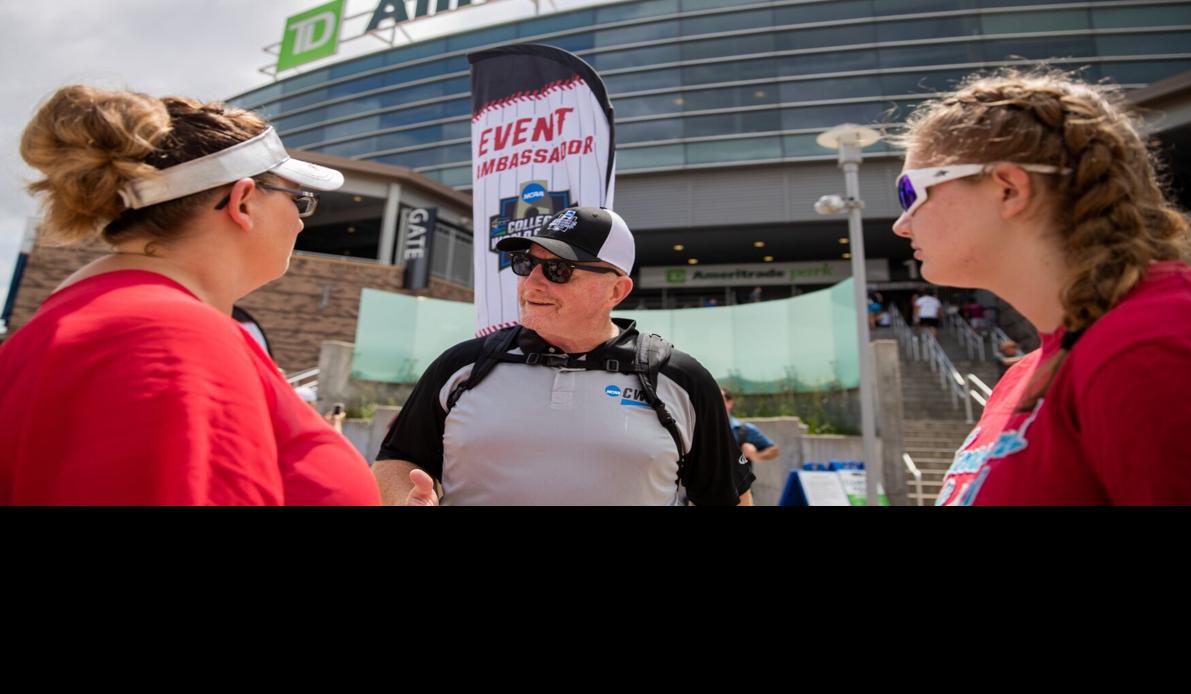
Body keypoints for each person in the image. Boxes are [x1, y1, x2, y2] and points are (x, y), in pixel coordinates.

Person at [0, 85, 377, 505]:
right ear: (244, 202)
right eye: (300, 200)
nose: (301, 222)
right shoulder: (171, 342)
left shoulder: (89, 322)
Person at [891, 70, 1191, 505]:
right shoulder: (1026, 373)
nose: (901, 225)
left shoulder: (1153, 344)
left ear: (1008, 188)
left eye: (910, 193)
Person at [371, 206, 746, 506]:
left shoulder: (680, 379)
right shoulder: (461, 367)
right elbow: (396, 458)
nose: (531, 283)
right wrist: (404, 498)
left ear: (616, 290)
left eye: (557, 269)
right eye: (524, 264)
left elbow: (727, 497)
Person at [722, 387, 779, 463]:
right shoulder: (704, 429)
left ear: (730, 402)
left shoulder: (743, 430)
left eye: (719, 400)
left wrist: (756, 455)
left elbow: (773, 450)